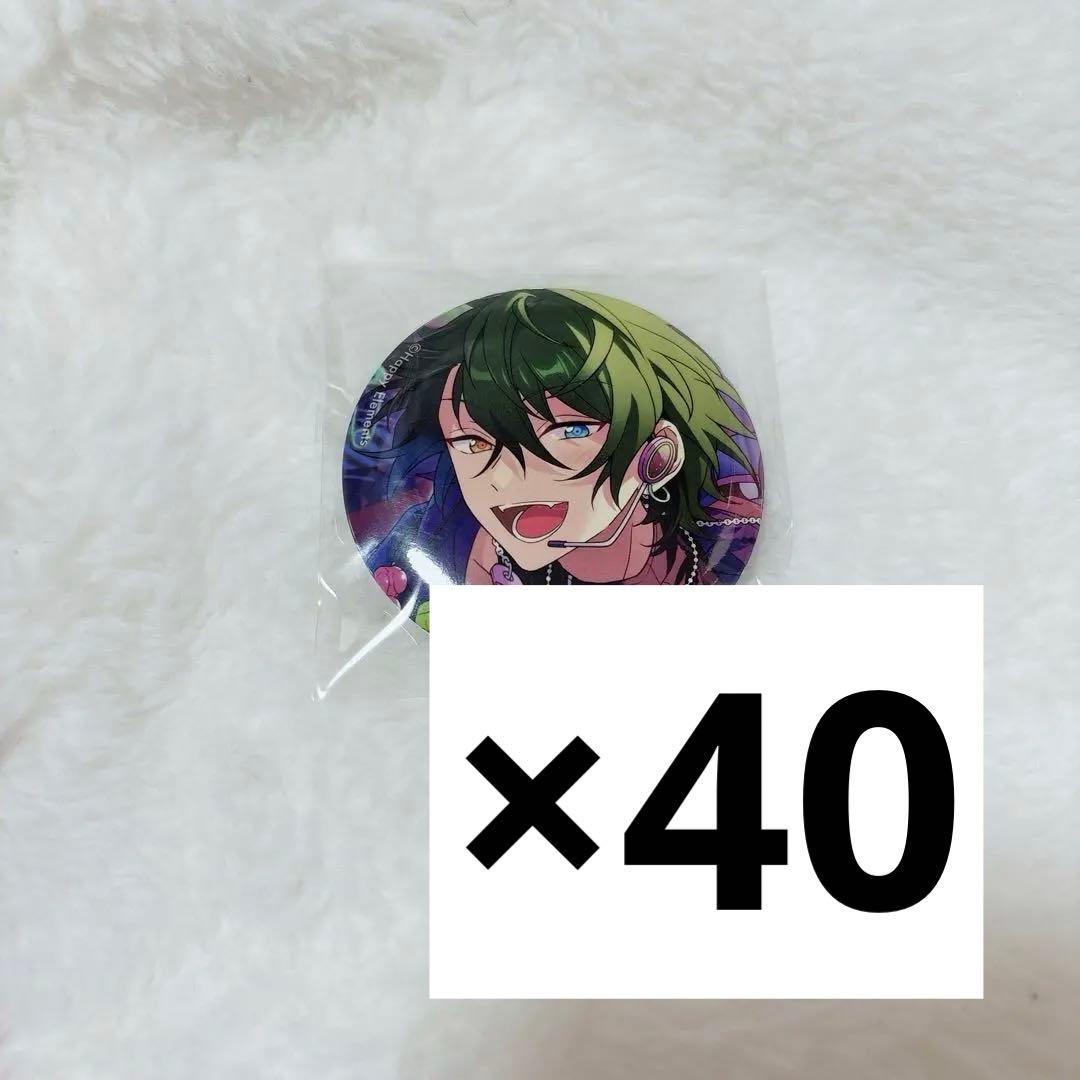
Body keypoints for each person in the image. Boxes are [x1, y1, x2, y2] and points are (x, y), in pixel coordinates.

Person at [343, 289, 763, 627]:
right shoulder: (435, 553)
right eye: (472, 442)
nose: (504, 478)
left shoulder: (726, 537)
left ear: (658, 455)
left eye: (570, 430)